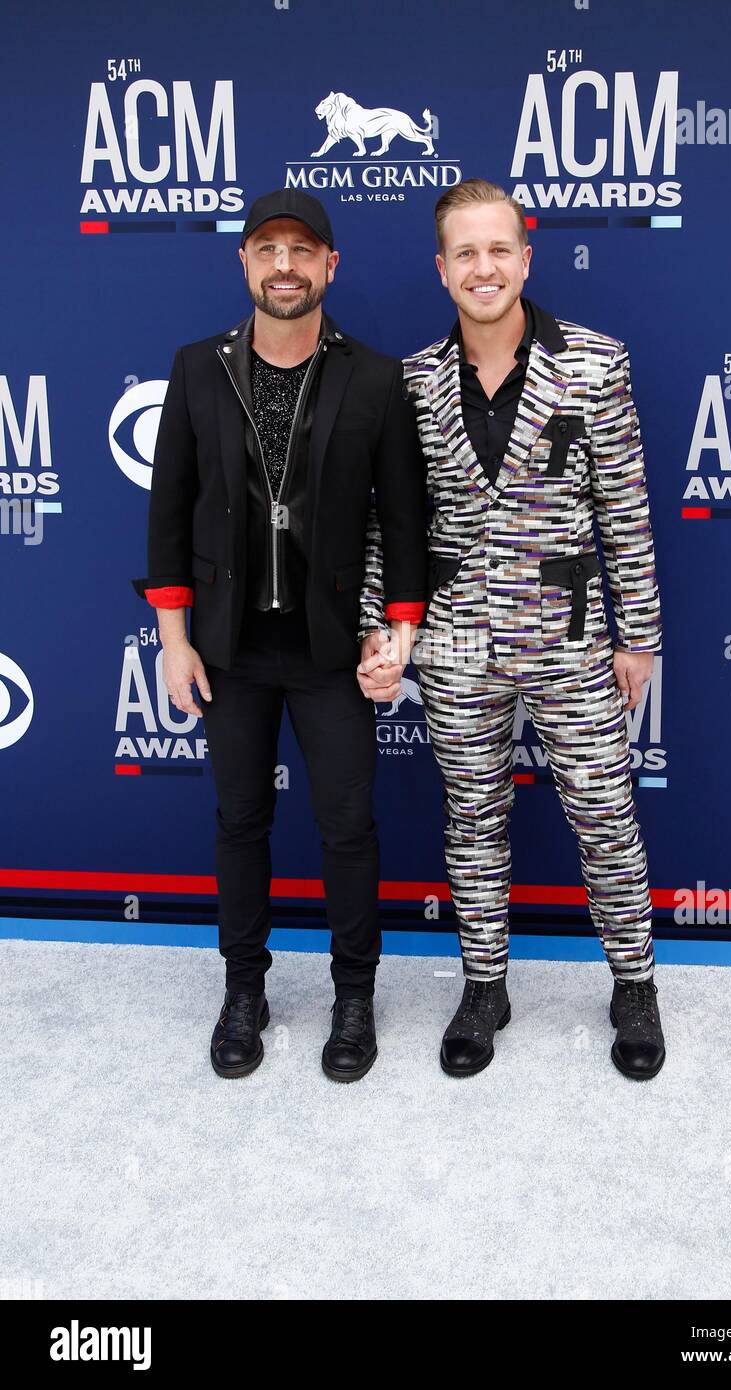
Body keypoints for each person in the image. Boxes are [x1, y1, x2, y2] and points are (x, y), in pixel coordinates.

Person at [132, 189, 427, 1083]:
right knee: (241, 820)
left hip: (333, 648)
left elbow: (407, 525)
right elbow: (169, 514)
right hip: (228, 648)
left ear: (331, 267)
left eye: (304, 250)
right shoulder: (196, 369)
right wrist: (174, 641)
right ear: (246, 265)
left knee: (347, 826)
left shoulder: (375, 379)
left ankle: (353, 993)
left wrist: (399, 632)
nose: (286, 264)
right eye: (269, 249)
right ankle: (245, 989)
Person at [378, 177, 664, 1079]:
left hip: (574, 639)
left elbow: (623, 504)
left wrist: (639, 633)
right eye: (465, 252)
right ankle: (484, 984)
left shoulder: (595, 361)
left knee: (606, 817)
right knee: (472, 820)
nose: (484, 267)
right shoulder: (414, 382)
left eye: (499, 249)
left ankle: (635, 984)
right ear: (441, 268)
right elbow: (398, 528)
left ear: (525, 258)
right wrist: (384, 635)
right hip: (458, 642)